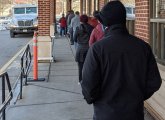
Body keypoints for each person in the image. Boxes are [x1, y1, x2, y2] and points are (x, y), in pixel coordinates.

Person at [81, 1, 162, 120]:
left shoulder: (97, 49)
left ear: (106, 23)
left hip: (105, 114)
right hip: (134, 114)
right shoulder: (143, 47)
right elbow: (154, 82)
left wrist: (100, 100)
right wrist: (137, 97)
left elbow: (88, 88)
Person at [73, 15, 93, 83]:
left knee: (80, 66)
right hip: (89, 48)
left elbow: (74, 39)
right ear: (87, 20)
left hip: (80, 48)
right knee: (89, 65)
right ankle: (89, 80)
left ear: (80, 20)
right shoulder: (91, 28)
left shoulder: (78, 28)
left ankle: (80, 80)